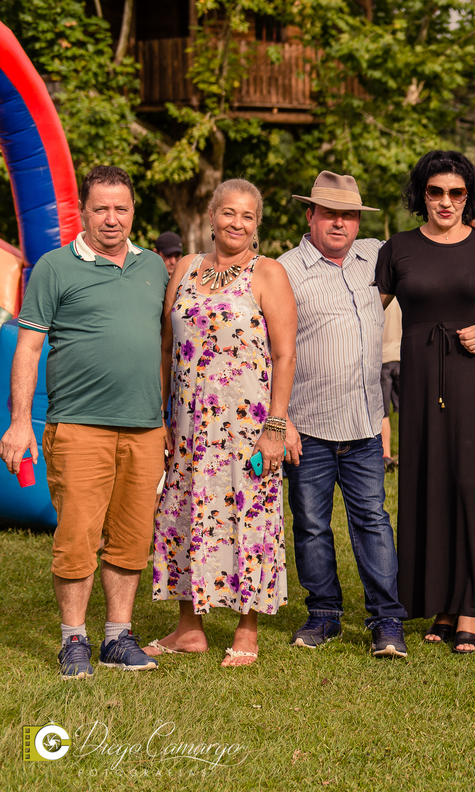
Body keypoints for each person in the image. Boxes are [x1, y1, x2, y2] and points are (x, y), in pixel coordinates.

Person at [1, 166, 166, 678]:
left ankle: (118, 637)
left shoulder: (154, 266)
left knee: (132, 539)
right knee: (76, 539)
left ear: (133, 212)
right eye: (101, 209)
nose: (111, 219)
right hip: (78, 426)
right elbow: (28, 349)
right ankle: (73, 640)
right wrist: (19, 422)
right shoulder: (54, 267)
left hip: (145, 428)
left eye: (121, 208)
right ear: (83, 212)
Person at [147, 179, 298, 668]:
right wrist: (161, 416)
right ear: (211, 216)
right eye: (228, 212)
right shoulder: (186, 268)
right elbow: (166, 346)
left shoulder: (268, 273)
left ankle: (246, 630)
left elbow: (285, 355)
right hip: (187, 425)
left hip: (245, 427)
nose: (237, 222)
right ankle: (188, 628)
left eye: (247, 216)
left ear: (257, 225)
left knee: (248, 517)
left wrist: (276, 426)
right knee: (184, 514)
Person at [376, 150, 475, 655]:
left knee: (474, 487)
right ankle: (440, 600)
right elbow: (363, 311)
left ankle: (472, 606)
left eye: (456, 192)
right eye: (435, 191)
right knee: (429, 485)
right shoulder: (397, 248)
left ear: (468, 196)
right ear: (422, 194)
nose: (446, 201)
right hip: (418, 388)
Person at [275, 172, 411, 658]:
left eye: (349, 215)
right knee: (311, 524)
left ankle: (386, 619)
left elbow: (435, 243)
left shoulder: (376, 255)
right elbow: (265, 348)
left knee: (373, 520)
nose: (339, 223)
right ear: (309, 215)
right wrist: (281, 419)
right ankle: (324, 613)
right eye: (329, 213)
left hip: (364, 423)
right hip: (307, 424)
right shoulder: (284, 270)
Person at [380, 299, 402, 472]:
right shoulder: (402, 295)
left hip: (383, 357)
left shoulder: (380, 295)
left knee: (383, 413)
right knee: (405, 410)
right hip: (401, 355)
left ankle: (386, 454)